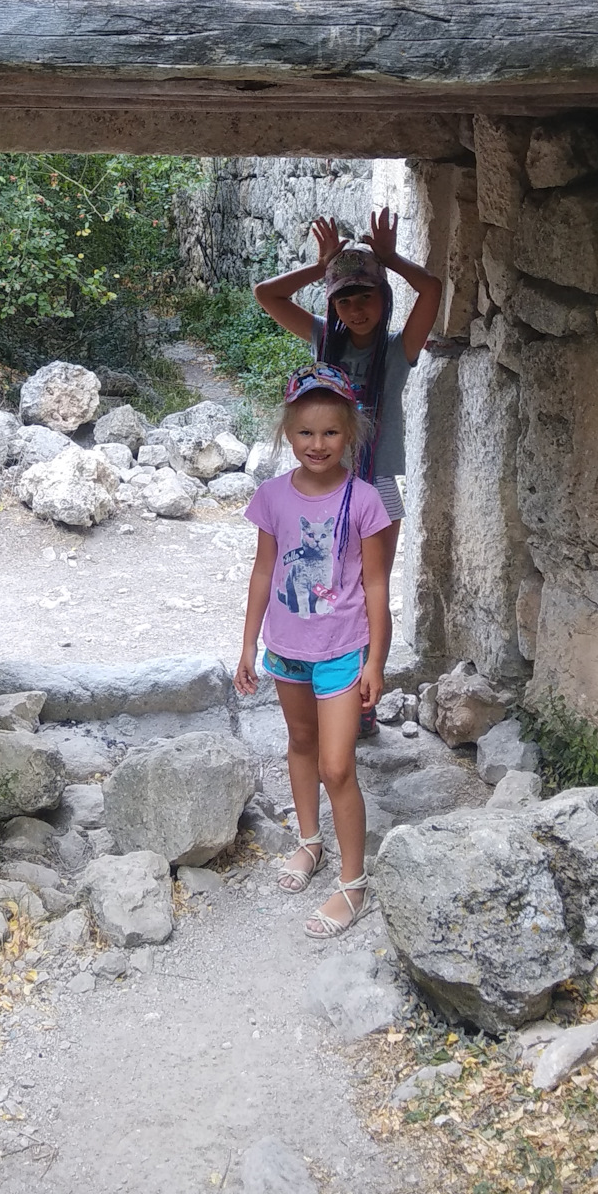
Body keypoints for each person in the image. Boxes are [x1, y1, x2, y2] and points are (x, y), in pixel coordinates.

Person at [254, 207, 443, 733]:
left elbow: (431, 291)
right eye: (345, 299)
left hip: (376, 484)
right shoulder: (323, 340)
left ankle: (361, 699)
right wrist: (322, 268)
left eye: (366, 296)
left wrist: (390, 259)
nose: (356, 309)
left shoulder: (397, 350)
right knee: (324, 588)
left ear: (384, 298)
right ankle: (324, 688)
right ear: (332, 304)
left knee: (366, 590)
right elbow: (267, 295)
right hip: (323, 486)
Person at [234, 364, 392, 937]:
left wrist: (376, 660)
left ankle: (353, 882)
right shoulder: (272, 496)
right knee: (300, 743)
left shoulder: (365, 499)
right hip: (287, 648)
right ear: (287, 432)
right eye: (305, 432)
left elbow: (376, 584)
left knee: (337, 765)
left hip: (342, 650)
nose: (317, 443)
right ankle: (309, 841)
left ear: (350, 432)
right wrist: (248, 644)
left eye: (330, 432)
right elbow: (263, 570)